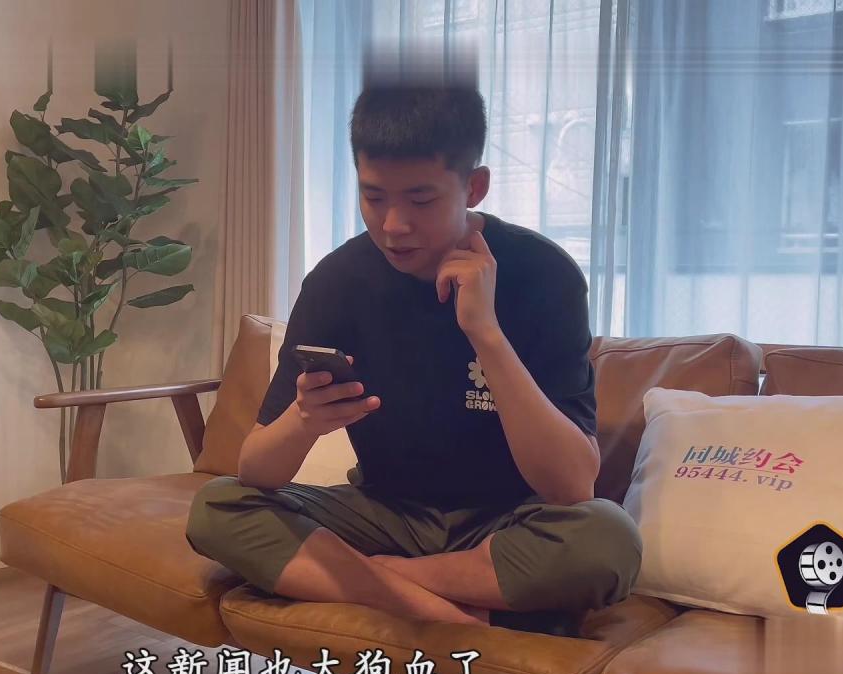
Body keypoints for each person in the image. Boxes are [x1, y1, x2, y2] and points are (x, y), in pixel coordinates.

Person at [186, 81, 641, 634]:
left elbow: (572, 487)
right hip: (385, 512)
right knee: (218, 508)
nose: (393, 225)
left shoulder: (544, 276)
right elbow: (255, 471)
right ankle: (441, 609)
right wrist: (304, 420)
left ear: (474, 187)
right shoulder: (338, 282)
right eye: (374, 197)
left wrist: (486, 334)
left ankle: (372, 582)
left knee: (607, 540)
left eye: (421, 200)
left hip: (507, 522)